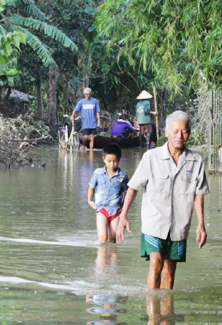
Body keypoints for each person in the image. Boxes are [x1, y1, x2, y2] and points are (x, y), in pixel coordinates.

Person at [116, 111, 209, 289]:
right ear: (166, 132)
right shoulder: (151, 157)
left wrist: (201, 225)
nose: (179, 136)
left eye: (184, 131)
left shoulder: (196, 161)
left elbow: (199, 194)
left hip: (180, 225)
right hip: (154, 222)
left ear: (189, 133)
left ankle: (166, 313)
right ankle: (152, 312)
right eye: (175, 131)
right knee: (156, 262)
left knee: (170, 269)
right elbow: (133, 187)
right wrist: (123, 216)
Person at [88, 143, 130, 242]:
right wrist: (90, 201)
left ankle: (112, 256)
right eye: (109, 161)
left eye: (115, 161)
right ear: (104, 159)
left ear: (119, 159)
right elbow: (91, 187)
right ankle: (102, 257)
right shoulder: (97, 173)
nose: (112, 164)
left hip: (116, 211)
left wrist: (124, 209)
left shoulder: (123, 176)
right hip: (102, 209)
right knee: (102, 239)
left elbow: (127, 193)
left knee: (112, 239)